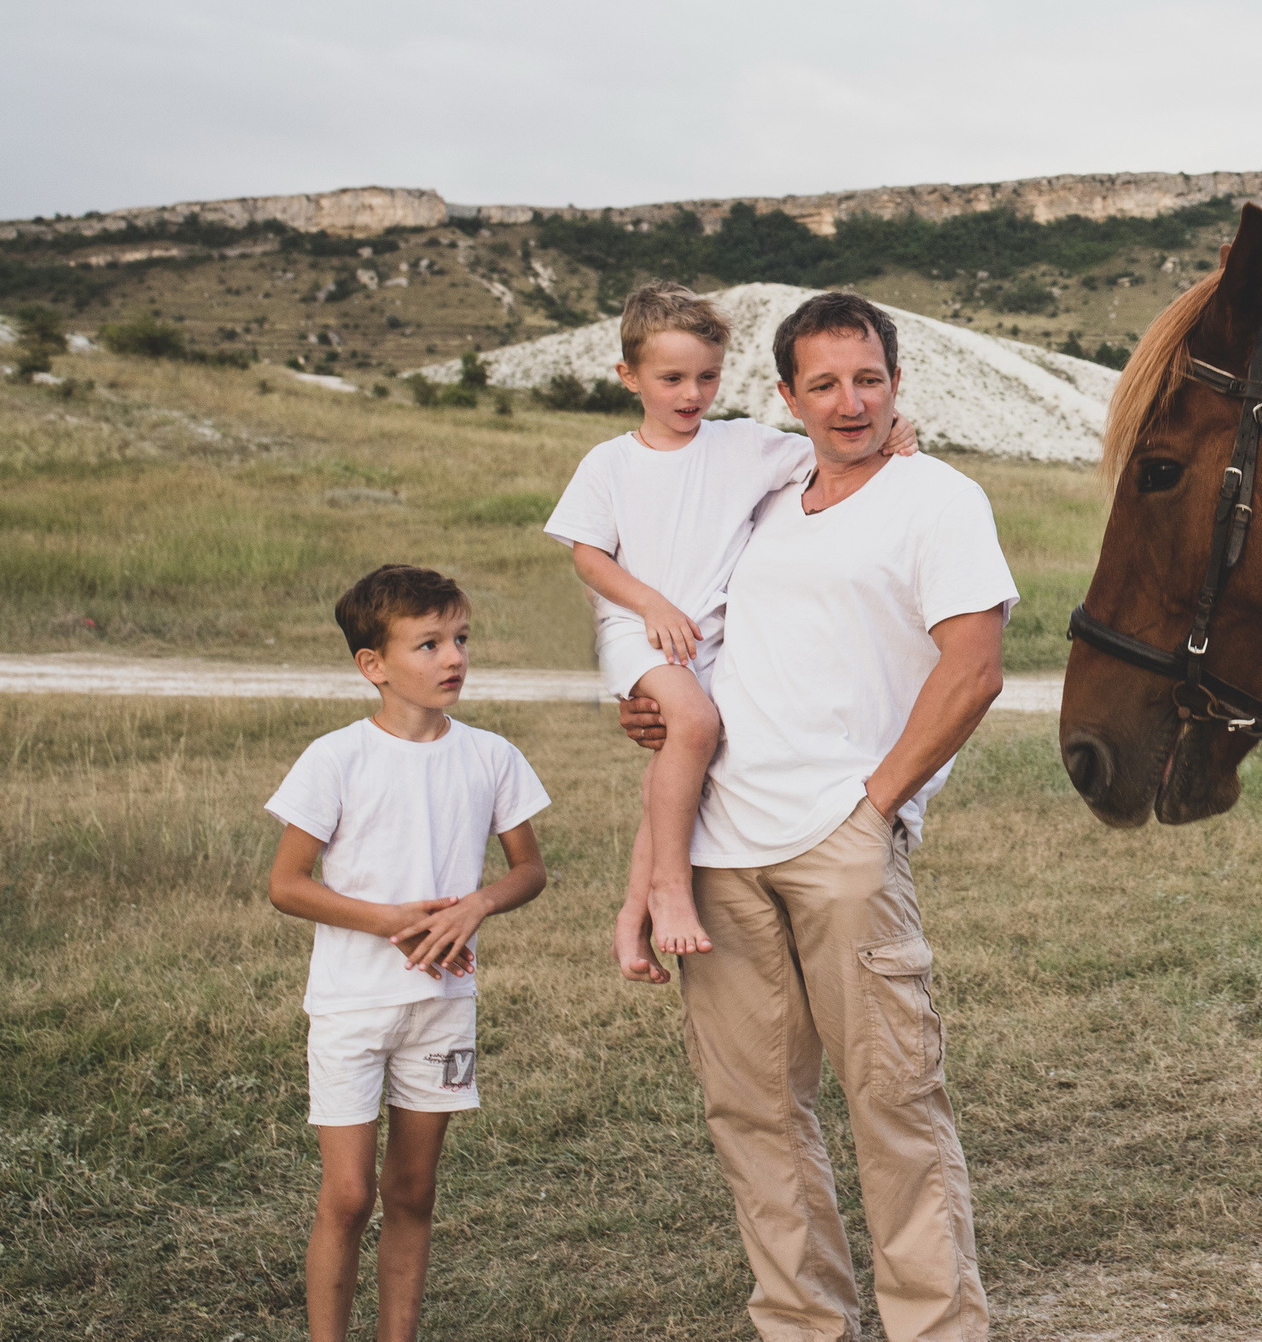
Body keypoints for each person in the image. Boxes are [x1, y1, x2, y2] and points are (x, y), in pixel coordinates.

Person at [620, 289, 1014, 1342]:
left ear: (897, 382)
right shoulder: (761, 502)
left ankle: (935, 1328)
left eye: (870, 378)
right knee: (753, 1114)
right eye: (825, 384)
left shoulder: (937, 499)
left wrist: (874, 807)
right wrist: (650, 833)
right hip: (715, 848)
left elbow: (973, 672)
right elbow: (695, 666)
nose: (850, 402)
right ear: (788, 396)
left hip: (838, 843)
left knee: (892, 1104)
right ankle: (803, 1325)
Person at [543, 281, 912, 976]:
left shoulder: (742, 444)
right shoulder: (611, 463)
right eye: (672, 378)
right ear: (629, 377)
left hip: (708, 639)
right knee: (693, 728)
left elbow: (832, 445)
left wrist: (898, 429)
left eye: (707, 376)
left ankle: (631, 918)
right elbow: (587, 554)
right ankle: (671, 889)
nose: (692, 393)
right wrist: (650, 604)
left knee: (680, 761)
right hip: (639, 628)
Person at [264, 564, 550, 1342]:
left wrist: (478, 903)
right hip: (353, 1004)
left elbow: (530, 869)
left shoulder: (492, 755)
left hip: (442, 1006)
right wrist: (390, 916)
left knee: (413, 1188)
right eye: (428, 643)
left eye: (460, 638)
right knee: (350, 1193)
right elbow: (287, 884)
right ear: (374, 664)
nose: (453, 657)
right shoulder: (336, 758)